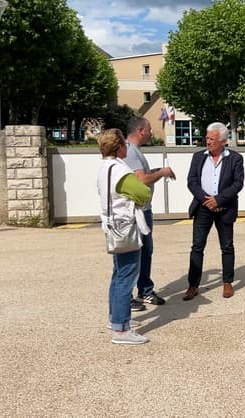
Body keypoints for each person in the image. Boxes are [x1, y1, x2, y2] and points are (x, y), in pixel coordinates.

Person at [97, 129, 152, 344]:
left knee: (118, 272)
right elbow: (143, 193)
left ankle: (115, 319)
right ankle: (121, 329)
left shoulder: (105, 167)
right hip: (125, 226)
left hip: (112, 225)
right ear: (119, 147)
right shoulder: (120, 170)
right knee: (127, 275)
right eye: (124, 145)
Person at [183, 122, 244, 301]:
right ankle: (193, 285)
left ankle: (227, 283)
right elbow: (191, 181)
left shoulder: (235, 158)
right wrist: (206, 200)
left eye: (212, 139)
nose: (208, 142)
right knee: (197, 246)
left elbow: (238, 184)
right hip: (203, 208)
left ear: (223, 141)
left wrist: (218, 199)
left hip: (225, 208)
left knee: (226, 246)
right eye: (207, 138)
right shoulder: (198, 157)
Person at [124, 117, 175, 308]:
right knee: (134, 253)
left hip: (144, 209)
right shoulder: (130, 151)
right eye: (149, 129)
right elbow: (141, 180)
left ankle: (145, 290)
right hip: (136, 212)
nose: (151, 132)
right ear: (140, 131)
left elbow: (142, 176)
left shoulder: (134, 151)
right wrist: (161, 172)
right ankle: (128, 296)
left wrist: (156, 171)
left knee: (145, 252)